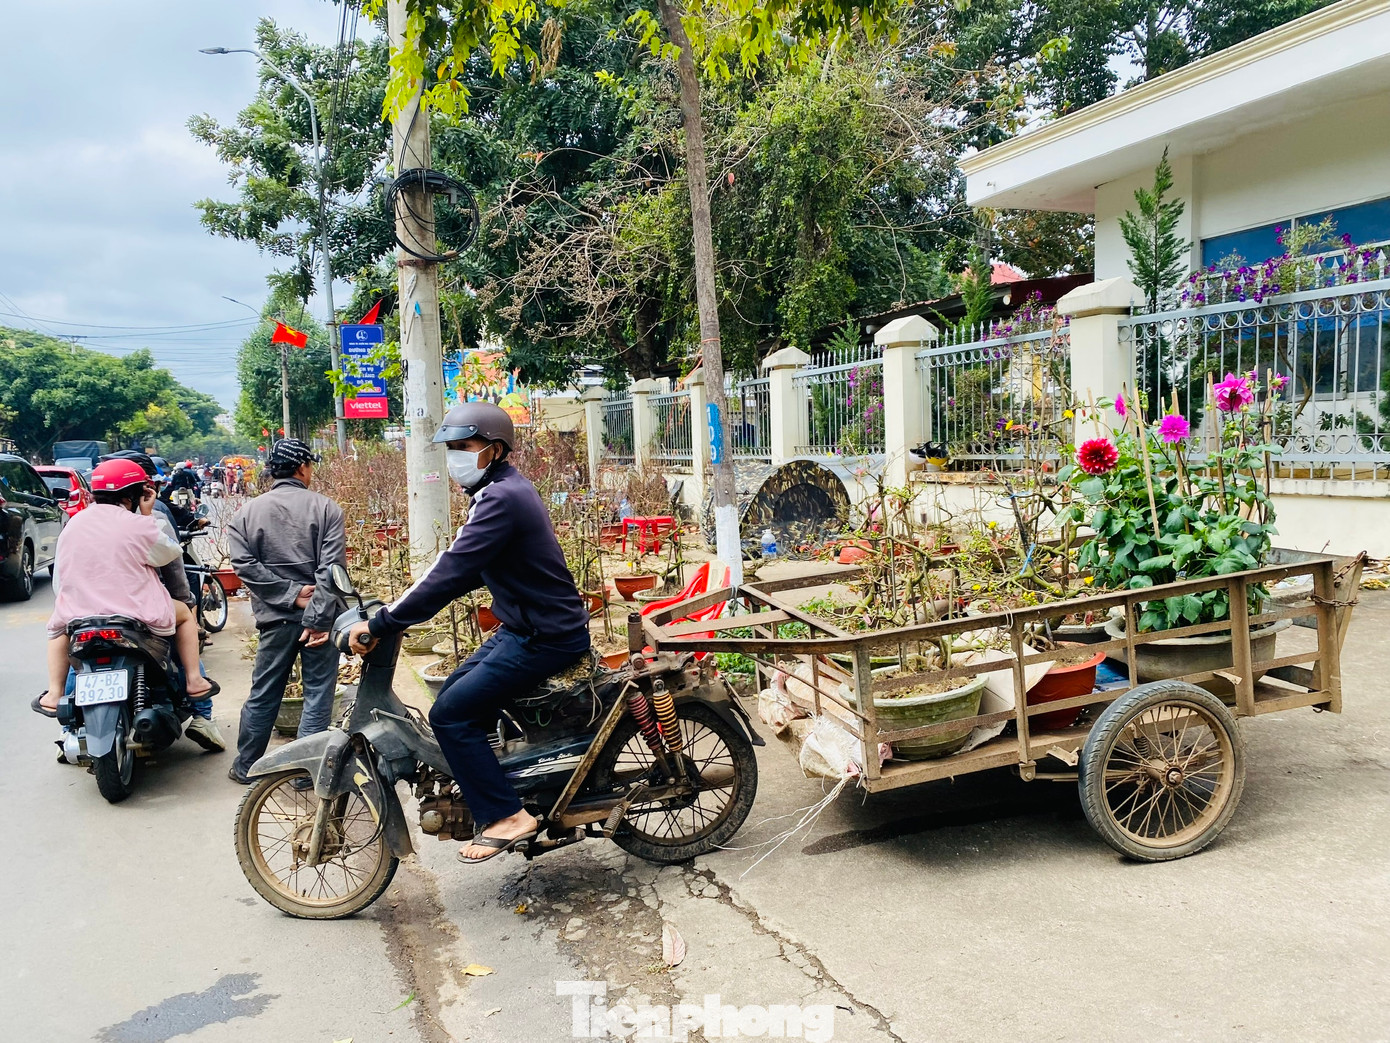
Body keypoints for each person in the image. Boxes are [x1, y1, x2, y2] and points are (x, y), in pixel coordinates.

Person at [346, 402, 591, 865]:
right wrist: (399, 607)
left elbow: (452, 570)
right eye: (451, 448)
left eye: (464, 447)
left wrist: (383, 622)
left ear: (494, 450)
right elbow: (467, 569)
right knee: (454, 696)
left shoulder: (501, 497)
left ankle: (507, 815)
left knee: (451, 715)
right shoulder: (500, 490)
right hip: (527, 626)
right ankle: (499, 776)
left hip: (545, 636)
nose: (455, 455)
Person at [34, 459, 214, 716]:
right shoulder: (138, 524)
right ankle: (195, 681)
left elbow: (59, 582)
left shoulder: (72, 524)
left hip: (80, 615)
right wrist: (148, 516)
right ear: (135, 493)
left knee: (59, 630)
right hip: (135, 615)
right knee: (185, 615)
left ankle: (53, 694)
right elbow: (169, 555)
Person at [226, 438, 346, 784]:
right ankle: (304, 772)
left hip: (274, 618)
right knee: (318, 692)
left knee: (265, 690)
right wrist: (316, 616)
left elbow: (244, 565)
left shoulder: (245, 514)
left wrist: (289, 596)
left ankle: (247, 765)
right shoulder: (326, 508)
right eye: (310, 465)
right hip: (322, 618)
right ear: (301, 468)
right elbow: (331, 569)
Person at [99, 451, 224, 750]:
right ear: (141, 488)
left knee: (72, 653)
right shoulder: (152, 519)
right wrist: (185, 601)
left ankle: (65, 722)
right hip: (141, 611)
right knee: (184, 631)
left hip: (90, 610)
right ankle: (201, 713)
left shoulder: (78, 523)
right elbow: (174, 571)